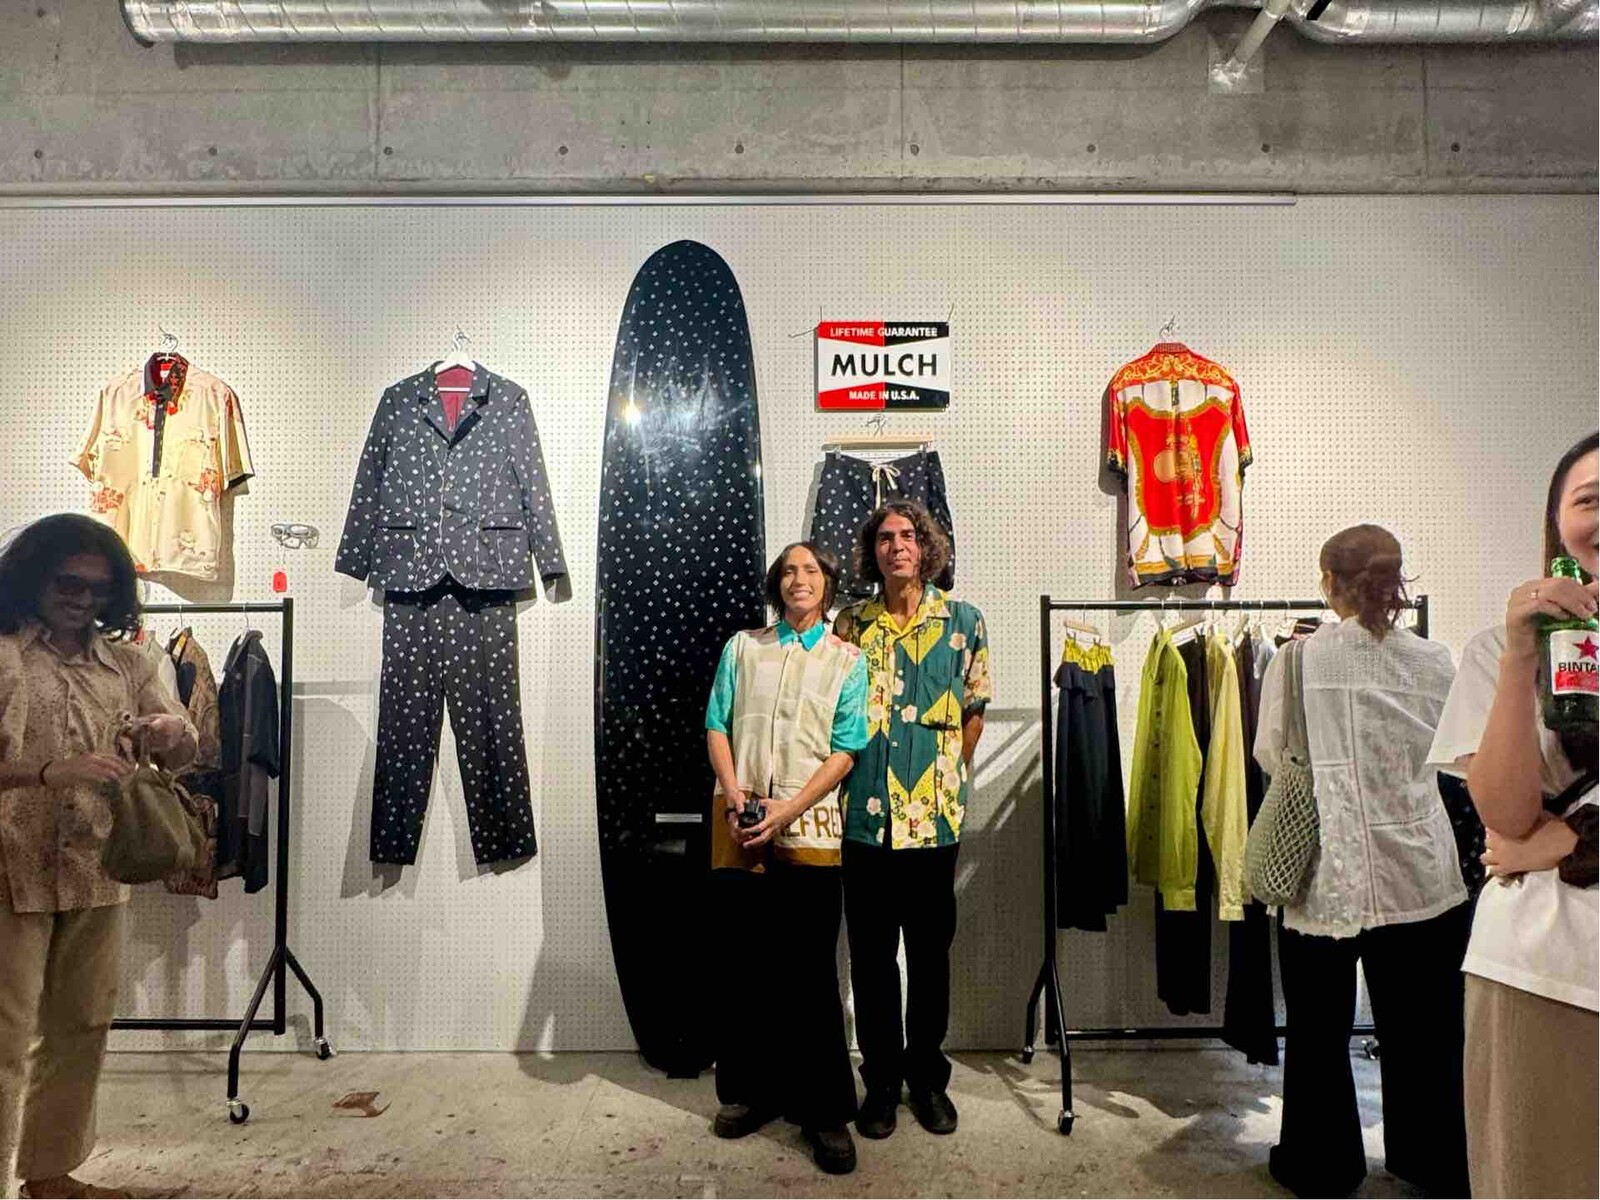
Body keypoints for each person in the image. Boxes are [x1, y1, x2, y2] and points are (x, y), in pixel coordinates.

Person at [1255, 524, 1469, 1198]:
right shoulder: (1436, 661)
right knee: (1426, 1031)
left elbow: (1272, 753)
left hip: (1328, 871)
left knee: (1318, 1031)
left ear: (1329, 583)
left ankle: (1321, 1165)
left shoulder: (1297, 660)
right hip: (1420, 870)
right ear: (1395, 582)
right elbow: (1457, 759)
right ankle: (1432, 1160)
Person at [0, 515, 197, 1200]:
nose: (82, 600)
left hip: (97, 864)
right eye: (68, 584)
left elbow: (184, 746)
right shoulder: (5, 656)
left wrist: (170, 731)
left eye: (97, 589)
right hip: (9, 865)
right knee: (3, 1036)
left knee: (81, 1027)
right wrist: (48, 772)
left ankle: (50, 1174)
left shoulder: (130, 664)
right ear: (33, 578)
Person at [1428, 432, 1599, 1199]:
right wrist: (1522, 656)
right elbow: (1503, 812)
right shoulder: (1496, 649)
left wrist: (1574, 840)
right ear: (1557, 522)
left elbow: (1541, 834)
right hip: (1541, 967)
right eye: (1590, 500)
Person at [703, 542, 868, 1175]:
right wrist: (735, 794)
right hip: (738, 823)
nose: (800, 579)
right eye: (789, 571)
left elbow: (846, 749)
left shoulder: (846, 660)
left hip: (811, 828)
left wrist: (790, 807)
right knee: (744, 965)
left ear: (827, 585)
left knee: (809, 973)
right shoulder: (744, 647)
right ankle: (753, 1091)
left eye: (812, 571)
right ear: (777, 584)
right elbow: (717, 724)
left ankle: (824, 1111)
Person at [832, 500, 992, 1140]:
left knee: (929, 957)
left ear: (926, 547)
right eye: (884, 537)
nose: (896, 545)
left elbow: (975, 709)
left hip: (933, 822)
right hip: (863, 820)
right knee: (872, 960)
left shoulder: (964, 622)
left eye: (906, 536)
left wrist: (947, 775)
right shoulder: (851, 625)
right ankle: (880, 1084)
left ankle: (927, 1080)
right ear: (872, 552)